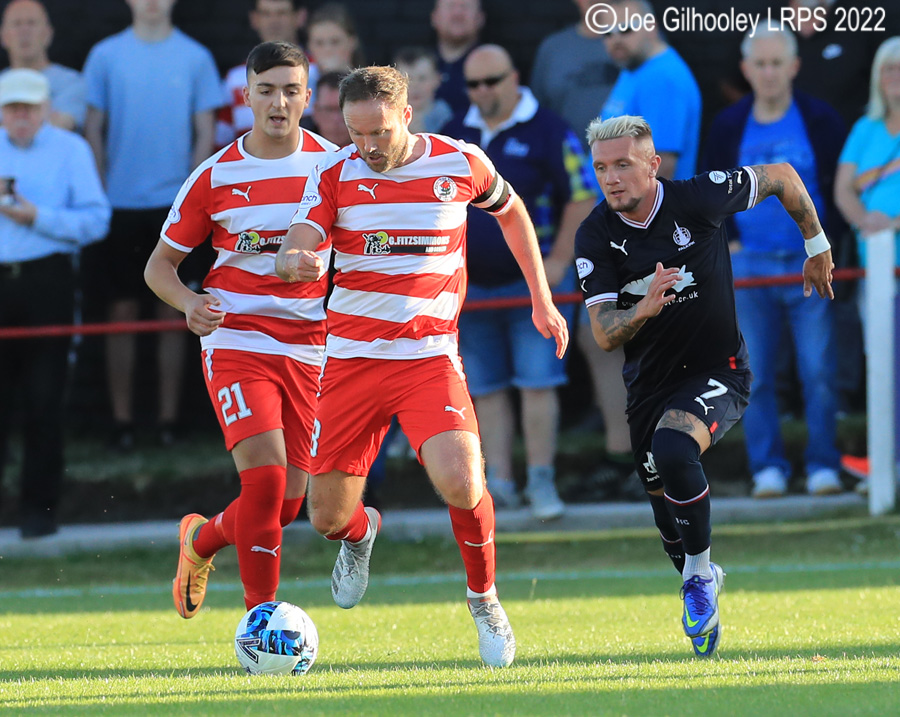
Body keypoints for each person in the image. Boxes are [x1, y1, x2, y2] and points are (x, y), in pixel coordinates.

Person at [275, 66, 568, 667]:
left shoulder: (460, 162)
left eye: (378, 132)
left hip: (427, 355)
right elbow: (293, 246)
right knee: (327, 519)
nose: (367, 146)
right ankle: (361, 534)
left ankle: (484, 599)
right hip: (351, 359)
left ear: (407, 115)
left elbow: (512, 214)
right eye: (355, 133)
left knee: (464, 481)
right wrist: (295, 262)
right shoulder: (333, 173)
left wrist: (540, 296)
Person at [575, 115, 834, 657]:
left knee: (674, 449)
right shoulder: (595, 234)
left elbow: (783, 175)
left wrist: (817, 243)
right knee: (668, 519)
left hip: (721, 369)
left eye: (623, 164)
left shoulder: (699, 198)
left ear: (653, 163)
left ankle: (696, 577)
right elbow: (603, 333)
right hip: (649, 385)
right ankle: (700, 573)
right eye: (601, 168)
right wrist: (643, 308)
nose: (612, 178)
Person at [144, 41, 364, 616]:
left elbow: (366, 250)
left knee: (289, 506)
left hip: (313, 346)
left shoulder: (337, 166)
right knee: (264, 485)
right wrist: (190, 303)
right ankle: (260, 624)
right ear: (245, 96)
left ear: (309, 98)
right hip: (237, 338)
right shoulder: (215, 174)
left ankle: (200, 540)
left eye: (291, 90)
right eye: (266, 90)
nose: (278, 101)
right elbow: (158, 268)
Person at [443, 44, 596, 518]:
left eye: (493, 80)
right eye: (474, 83)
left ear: (515, 77)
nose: (483, 91)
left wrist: (554, 262)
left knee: (537, 382)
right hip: (470, 290)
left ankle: (542, 483)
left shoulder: (549, 128)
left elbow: (582, 194)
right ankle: (501, 485)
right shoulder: (454, 133)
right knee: (484, 389)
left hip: (533, 287)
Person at [703, 27, 846, 499]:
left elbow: (835, 185)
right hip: (749, 268)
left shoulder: (820, 119)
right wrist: (733, 243)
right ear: (746, 70)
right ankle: (768, 468)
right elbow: (710, 193)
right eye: (759, 64)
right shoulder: (728, 125)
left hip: (810, 265)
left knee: (819, 371)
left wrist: (825, 245)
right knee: (755, 373)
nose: (768, 73)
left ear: (793, 66)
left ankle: (824, 464)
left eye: (776, 63)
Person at [83, 0, 222, 450]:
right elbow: (94, 128)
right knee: (120, 311)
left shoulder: (197, 56)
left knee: (175, 309)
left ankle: (169, 422)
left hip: (174, 205)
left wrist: (191, 197)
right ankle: (122, 423)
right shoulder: (104, 55)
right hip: (119, 206)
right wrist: (103, 191)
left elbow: (204, 133)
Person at [0, 68, 110, 538]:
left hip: (49, 281)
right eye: (12, 108)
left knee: (45, 401)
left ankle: (39, 515)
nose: (20, 117)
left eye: (28, 108)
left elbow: (96, 220)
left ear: (45, 109)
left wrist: (35, 217)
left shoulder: (71, 150)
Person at [531, 0, 632, 501]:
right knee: (597, 336)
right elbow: (545, 127)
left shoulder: (642, 37)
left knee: (639, 334)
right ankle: (622, 451)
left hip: (639, 206)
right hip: (585, 210)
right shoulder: (554, 50)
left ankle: (643, 457)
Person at [834, 35, 900, 493]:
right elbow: (843, 190)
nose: (894, 78)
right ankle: (885, 463)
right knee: (881, 365)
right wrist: (867, 225)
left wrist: (891, 223)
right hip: (874, 272)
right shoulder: (865, 129)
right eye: (887, 69)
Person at [600, 0, 702, 181]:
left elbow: (661, 168)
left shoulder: (662, 78)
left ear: (651, 27)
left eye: (625, 29)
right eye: (607, 32)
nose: (616, 39)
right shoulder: (633, 66)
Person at [218, 0, 309, 146]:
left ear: (300, 17)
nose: (274, 21)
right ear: (254, 19)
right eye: (266, 14)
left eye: (281, 13)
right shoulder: (235, 78)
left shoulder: (319, 70)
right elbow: (220, 142)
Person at [0, 0, 86, 131]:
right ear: (4, 37)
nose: (24, 31)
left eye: (32, 23)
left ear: (48, 34)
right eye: (16, 24)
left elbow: (61, 127)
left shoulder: (72, 83)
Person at [430, 0, 483, 115]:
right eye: (450, 6)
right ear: (434, 17)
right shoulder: (413, 66)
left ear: (480, 18)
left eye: (465, 7)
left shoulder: (492, 66)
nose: (458, 13)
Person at [306, 2, 363, 102]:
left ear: (352, 42)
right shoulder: (300, 81)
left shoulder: (366, 83)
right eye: (319, 43)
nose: (327, 50)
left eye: (335, 42)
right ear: (310, 46)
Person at [394, 46, 453, 134]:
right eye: (407, 80)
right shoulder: (390, 114)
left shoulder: (444, 115)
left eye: (422, 78)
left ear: (437, 80)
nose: (415, 85)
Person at [301, 70, 350, 146]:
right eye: (329, 110)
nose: (336, 119)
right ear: (316, 111)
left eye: (342, 110)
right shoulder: (298, 141)